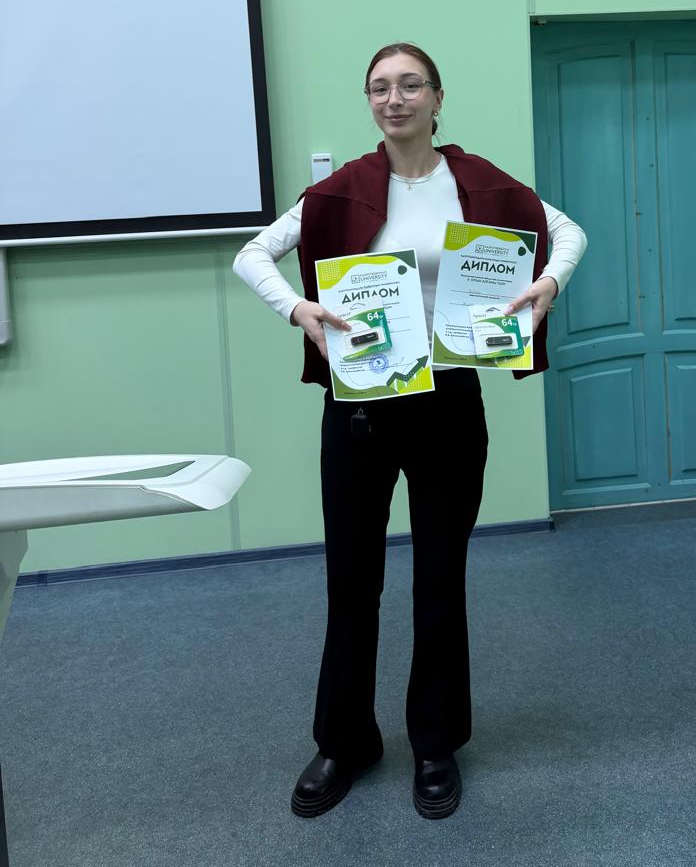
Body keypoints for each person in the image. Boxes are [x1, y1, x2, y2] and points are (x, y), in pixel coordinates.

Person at [233, 42, 586, 820]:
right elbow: (253, 254)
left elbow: (568, 233)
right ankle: (344, 741)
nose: (394, 99)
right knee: (351, 579)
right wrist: (298, 309)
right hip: (360, 404)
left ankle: (435, 743)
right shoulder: (342, 190)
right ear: (370, 102)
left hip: (449, 402)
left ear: (436, 97)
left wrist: (548, 286)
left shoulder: (480, 184)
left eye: (409, 85)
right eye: (379, 88)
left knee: (440, 578)